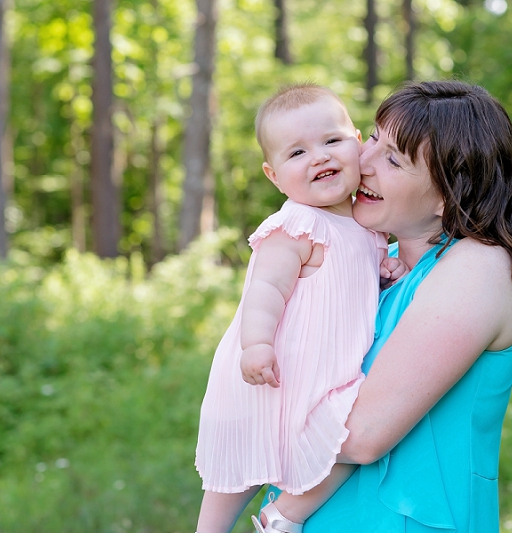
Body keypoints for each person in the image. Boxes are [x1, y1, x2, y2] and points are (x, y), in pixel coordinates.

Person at [261, 80, 512, 532]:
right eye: (372, 138)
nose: (362, 162)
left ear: (447, 194)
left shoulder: (477, 267)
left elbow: (361, 435)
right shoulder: (376, 269)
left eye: (393, 159)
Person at [194, 84, 406, 533]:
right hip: (275, 368)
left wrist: (384, 271)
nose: (319, 157)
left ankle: (284, 516)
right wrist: (256, 345)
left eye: (331, 141)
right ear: (274, 176)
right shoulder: (296, 225)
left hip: (330, 371)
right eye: (297, 153)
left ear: (358, 143)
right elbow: (265, 290)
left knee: (342, 441)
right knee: (239, 463)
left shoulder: (367, 224)